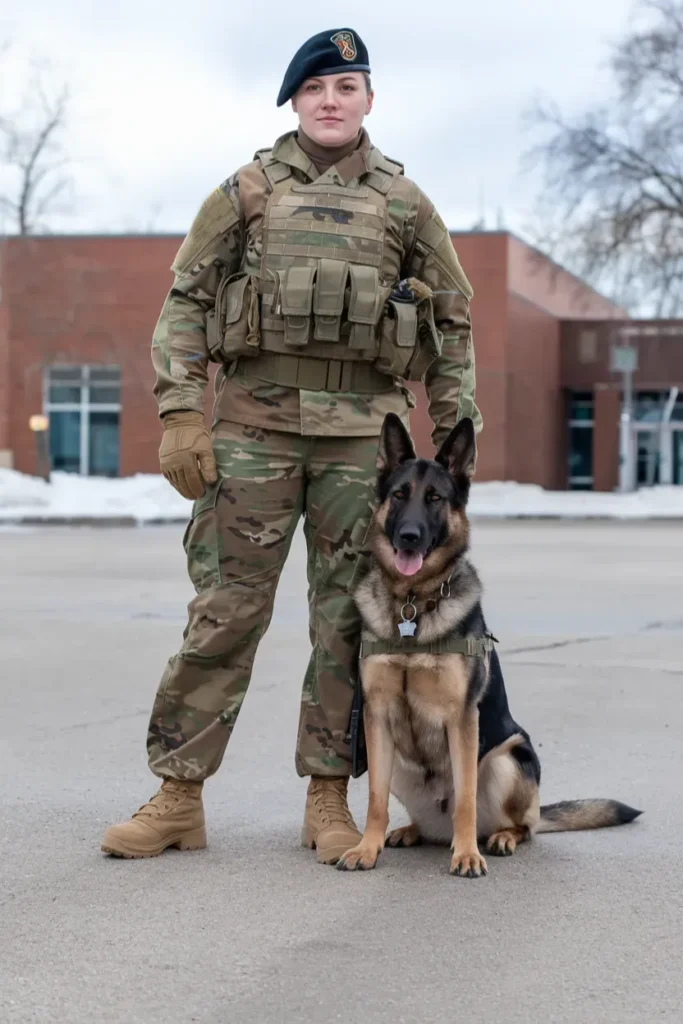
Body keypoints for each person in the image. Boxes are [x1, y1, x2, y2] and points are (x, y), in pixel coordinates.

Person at [101, 27, 481, 863]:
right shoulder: (244, 191)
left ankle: (328, 798)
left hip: (362, 448)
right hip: (253, 435)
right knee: (224, 613)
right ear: (294, 102)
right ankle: (178, 794)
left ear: (369, 100)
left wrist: (459, 442)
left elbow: (453, 323)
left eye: (347, 86)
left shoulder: (406, 203)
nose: (332, 100)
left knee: (348, 623)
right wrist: (180, 416)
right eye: (317, 89)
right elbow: (186, 305)